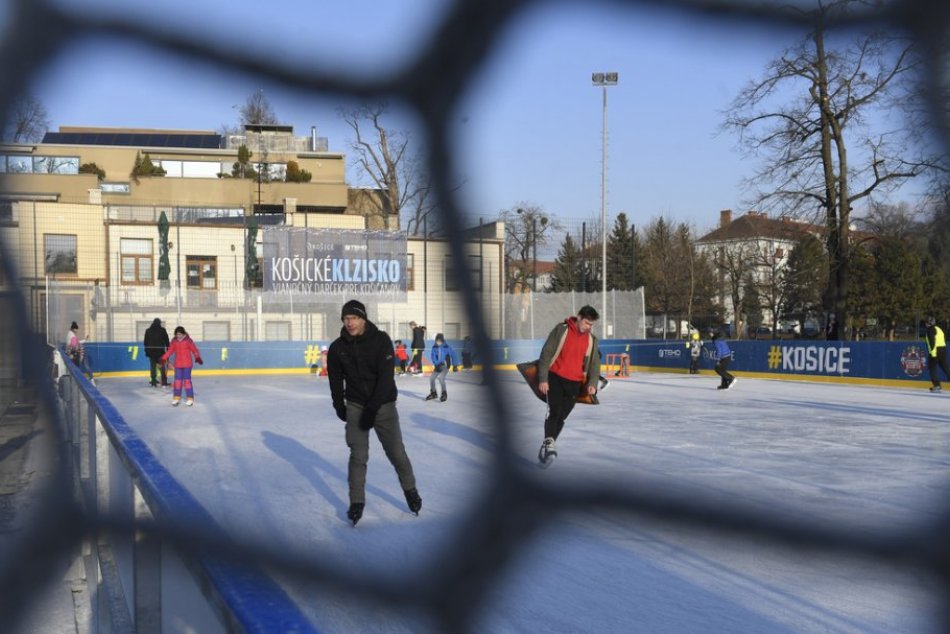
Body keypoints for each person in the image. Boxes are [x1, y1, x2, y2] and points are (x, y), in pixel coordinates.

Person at [328, 300, 421, 526]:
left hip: (383, 404)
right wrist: (339, 405)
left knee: (396, 453)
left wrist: (372, 409)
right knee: (358, 455)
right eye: (346, 319)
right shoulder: (338, 348)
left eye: (354, 318)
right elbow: (335, 379)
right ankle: (356, 502)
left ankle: (410, 490)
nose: (350, 323)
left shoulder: (381, 340)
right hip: (355, 405)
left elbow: (386, 378)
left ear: (363, 319)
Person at [536, 305, 601, 464]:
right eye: (586, 323)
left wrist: (592, 383)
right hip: (555, 377)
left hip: (575, 383)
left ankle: (547, 445)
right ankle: (549, 444)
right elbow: (546, 353)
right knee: (555, 411)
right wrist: (543, 379)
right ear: (579, 317)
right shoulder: (561, 330)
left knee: (562, 416)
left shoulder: (591, 340)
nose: (588, 327)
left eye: (591, 324)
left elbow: (594, 364)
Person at [160, 326, 203, 406]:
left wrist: (197, 357)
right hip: (178, 365)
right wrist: (163, 358)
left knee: (187, 381)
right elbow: (169, 351)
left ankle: (190, 398)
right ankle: (176, 398)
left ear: (183, 333)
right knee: (177, 382)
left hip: (187, 364)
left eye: (180, 334)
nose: (178, 336)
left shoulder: (188, 341)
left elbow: (194, 349)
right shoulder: (174, 342)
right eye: (177, 334)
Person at [425, 333, 460, 402]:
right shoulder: (434, 347)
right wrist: (437, 364)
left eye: (440, 341)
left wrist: (455, 365)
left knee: (441, 378)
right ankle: (433, 393)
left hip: (445, 366)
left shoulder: (447, 347)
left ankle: (444, 393)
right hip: (438, 366)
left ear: (442, 340)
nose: (438, 342)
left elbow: (453, 355)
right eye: (437, 341)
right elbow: (433, 356)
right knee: (432, 378)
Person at [924, 316, 949, 393]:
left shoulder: (930, 330)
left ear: (927, 323)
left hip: (935, 351)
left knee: (932, 368)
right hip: (943, 350)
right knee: (945, 368)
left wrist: (933, 353)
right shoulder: (939, 329)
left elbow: (932, 342)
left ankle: (937, 386)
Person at [143, 317, 170, 387]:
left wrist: (146, 351)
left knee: (153, 367)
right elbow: (166, 340)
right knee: (162, 367)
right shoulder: (162, 330)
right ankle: (164, 381)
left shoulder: (148, 330)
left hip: (151, 352)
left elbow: (145, 342)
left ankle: (153, 381)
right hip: (160, 352)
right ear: (159, 323)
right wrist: (168, 350)